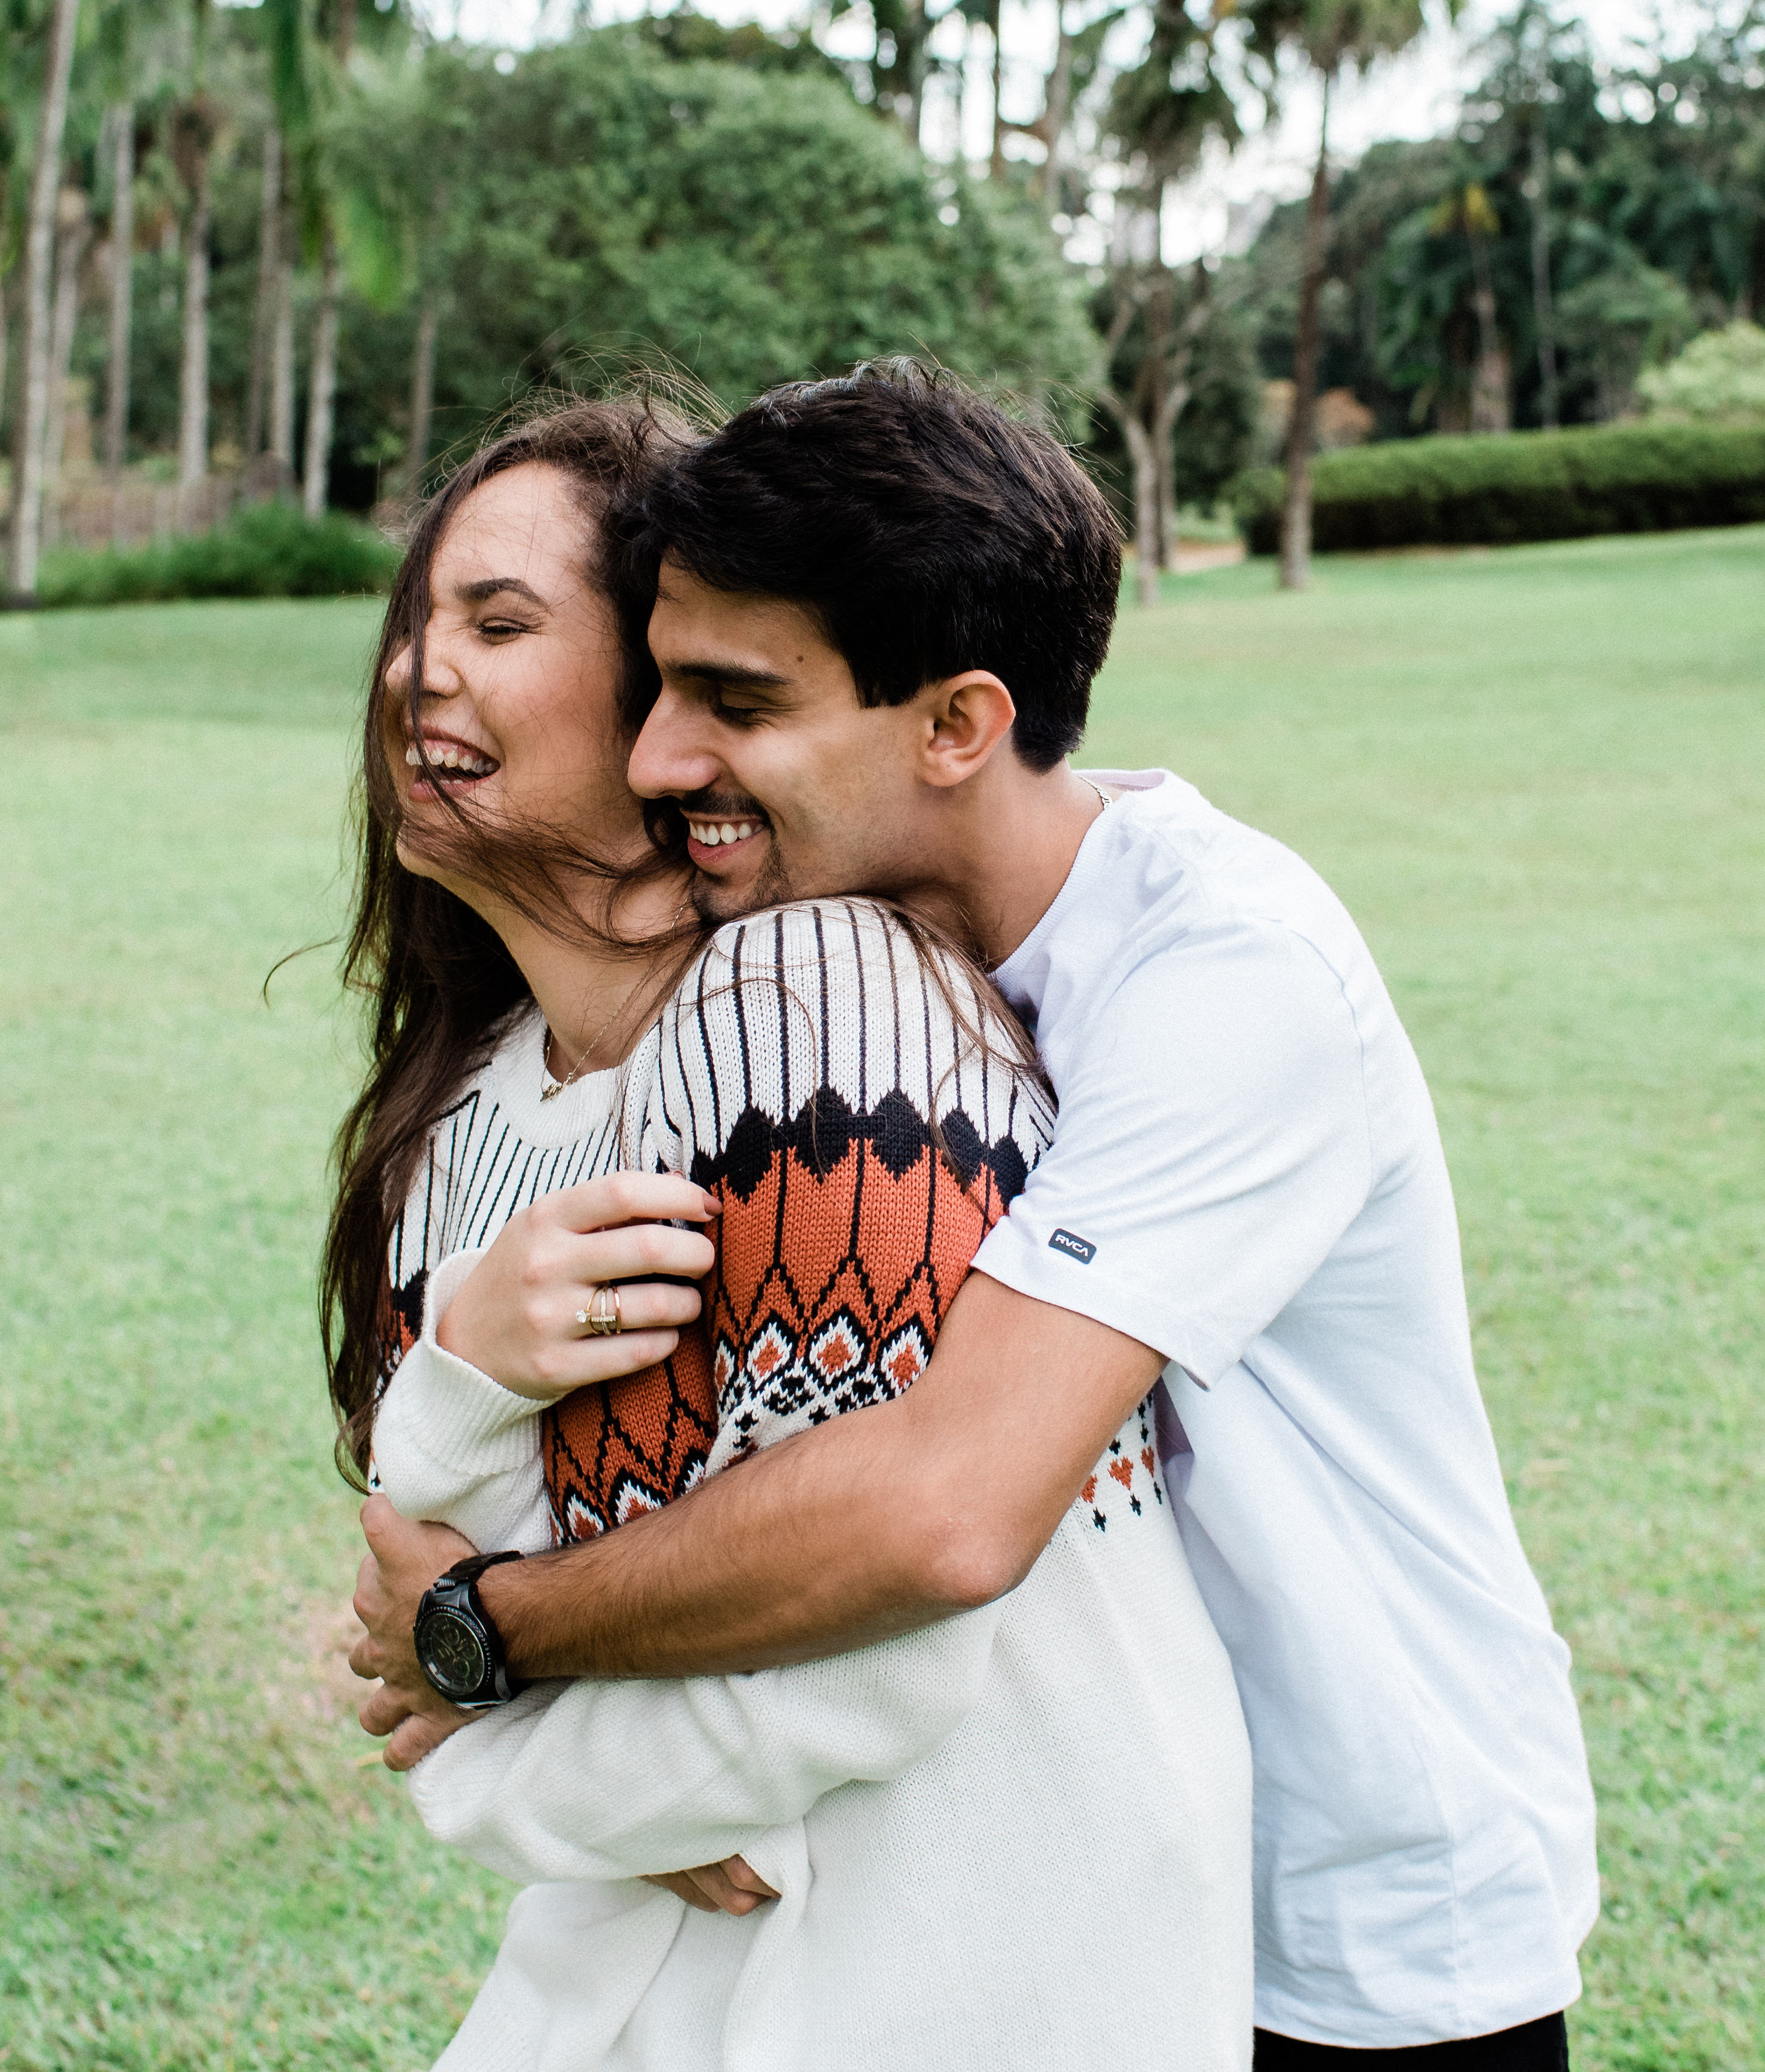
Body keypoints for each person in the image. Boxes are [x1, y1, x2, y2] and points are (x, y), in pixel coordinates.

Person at [352, 363, 1598, 2066]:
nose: (661, 756)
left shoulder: (1222, 979)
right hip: (1069, 1877)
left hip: (1354, 1907)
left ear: (956, 725)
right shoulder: (845, 974)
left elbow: (940, 1512)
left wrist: (488, 1630)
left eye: (733, 700)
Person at [325, 393, 1252, 2070]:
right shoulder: (463, 1117)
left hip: (990, 1965)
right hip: (674, 1982)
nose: (415, 671)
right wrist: (467, 1359)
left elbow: (869, 1640)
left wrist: (530, 1731)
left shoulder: (820, 1006)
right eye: (420, 620)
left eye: (499, 623)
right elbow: (417, 1611)